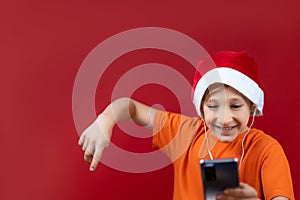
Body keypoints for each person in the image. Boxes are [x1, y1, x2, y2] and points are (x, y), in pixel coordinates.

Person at [78, 51, 295, 200]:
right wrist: (105, 120)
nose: (225, 118)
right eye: (213, 106)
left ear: (252, 106)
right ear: (201, 107)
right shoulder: (186, 134)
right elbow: (130, 108)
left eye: (236, 106)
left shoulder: (267, 149)